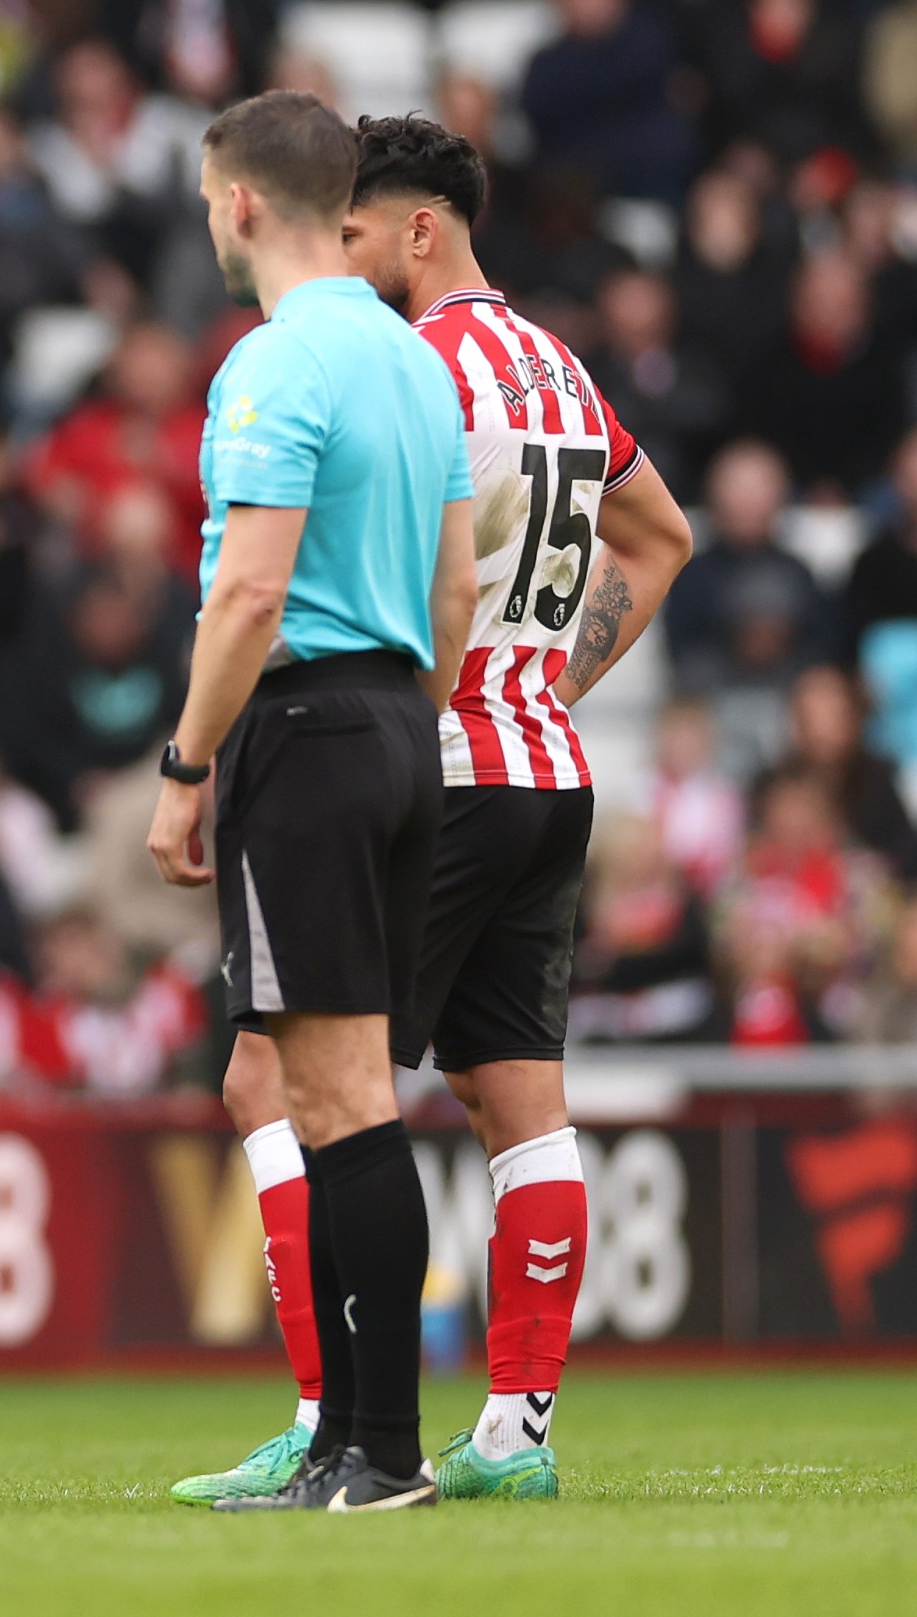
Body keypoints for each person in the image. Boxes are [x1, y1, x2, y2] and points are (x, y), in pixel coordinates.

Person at [170, 113, 696, 1508]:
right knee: (520, 1103)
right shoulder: (562, 367)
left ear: (419, 229)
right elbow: (663, 537)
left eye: (358, 228)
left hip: (431, 756)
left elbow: (400, 561)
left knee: (286, 1085)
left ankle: (335, 1420)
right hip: (546, 765)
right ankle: (516, 1431)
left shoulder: (410, 363)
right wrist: (554, 679)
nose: (337, 252)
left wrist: (441, 689)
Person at [143, 92, 477, 1513]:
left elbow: (250, 588)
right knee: (343, 1095)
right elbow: (456, 589)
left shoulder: (271, 364)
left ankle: (383, 1451)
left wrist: (185, 765)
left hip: (311, 725)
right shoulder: (414, 360)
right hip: (406, 715)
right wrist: (407, 717)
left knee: (339, 1105)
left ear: (237, 204)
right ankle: (347, 1441)